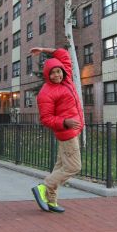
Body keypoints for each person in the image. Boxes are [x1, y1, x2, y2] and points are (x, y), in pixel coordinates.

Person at [30, 46, 83, 213]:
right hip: (66, 133)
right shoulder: (46, 93)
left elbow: (64, 55)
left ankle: (51, 201)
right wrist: (64, 122)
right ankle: (43, 187)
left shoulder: (66, 79)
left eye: (58, 71)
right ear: (47, 75)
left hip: (74, 131)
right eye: (52, 73)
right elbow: (45, 119)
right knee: (74, 167)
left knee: (59, 167)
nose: (56, 75)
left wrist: (45, 49)